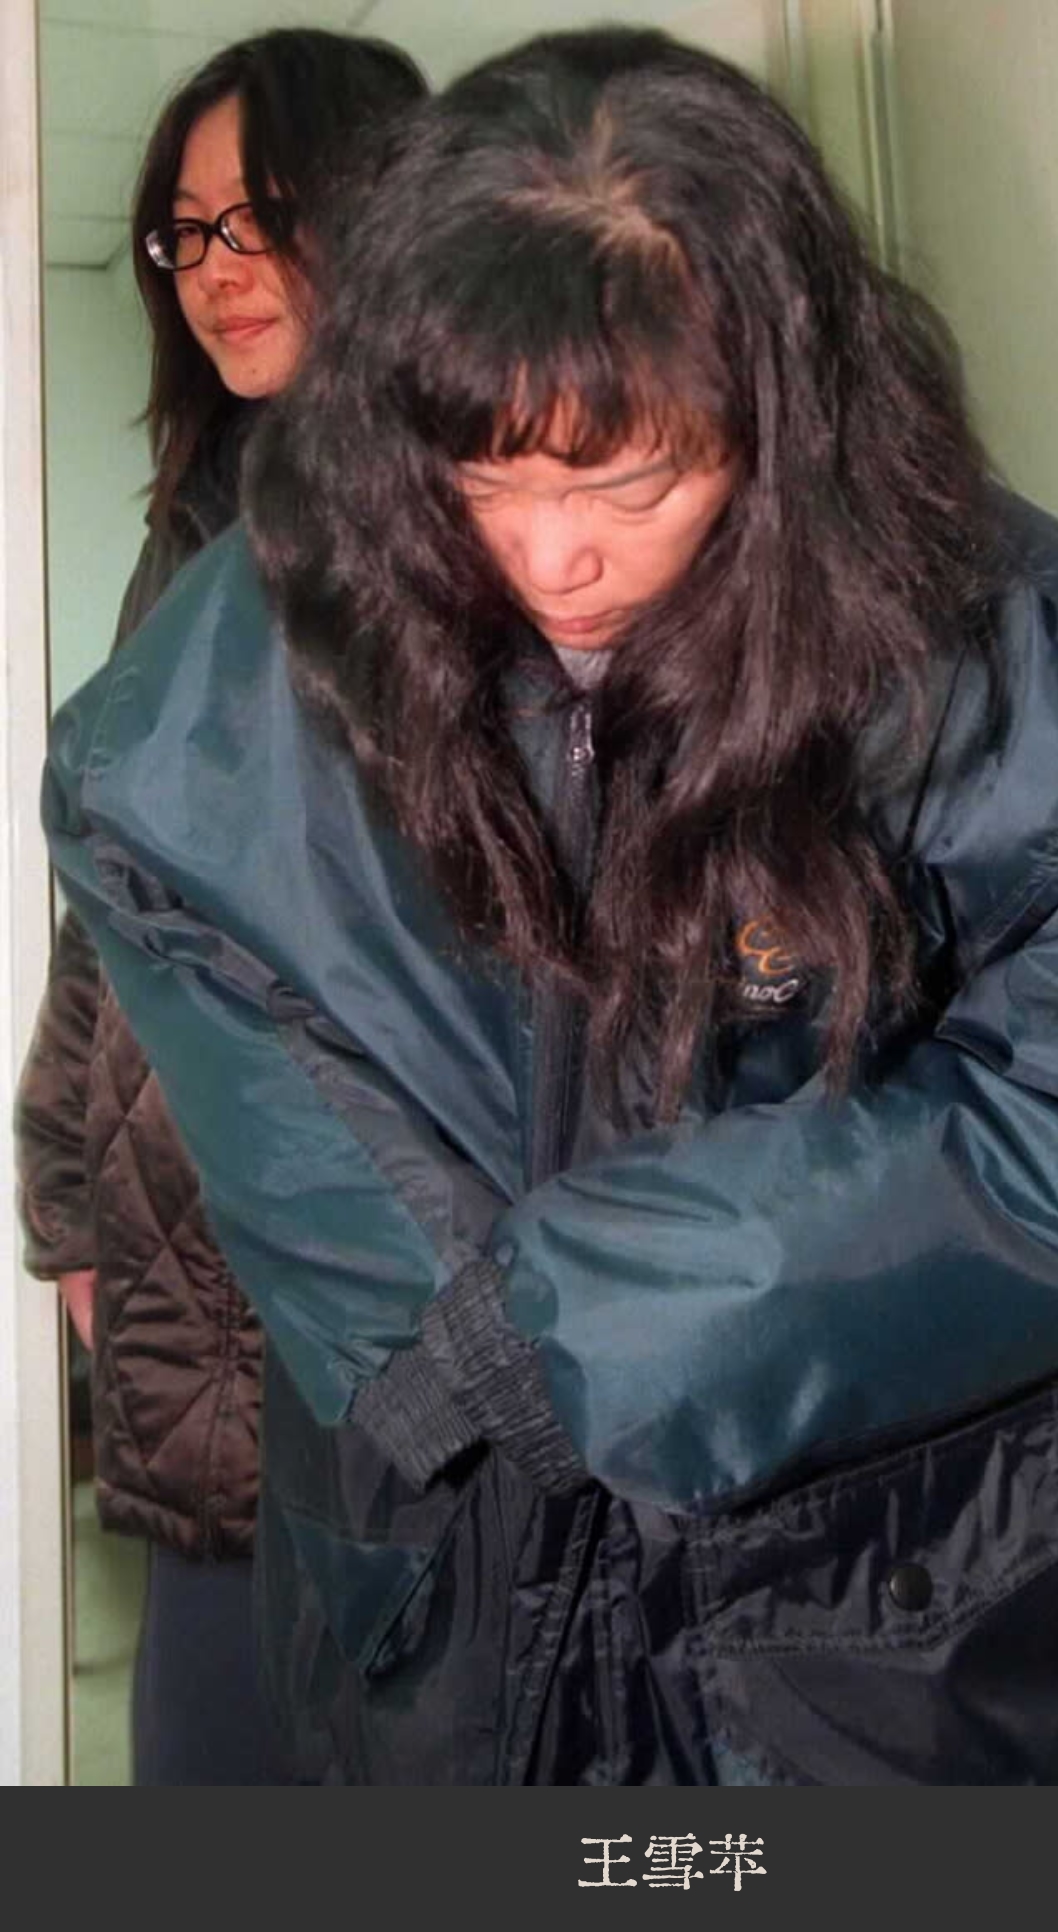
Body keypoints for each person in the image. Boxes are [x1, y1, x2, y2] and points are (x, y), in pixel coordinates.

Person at [41, 28, 1058, 1785]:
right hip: (438, 1582)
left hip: (871, 1582)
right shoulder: (277, 630)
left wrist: (607, 1312)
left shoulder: (982, 642)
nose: (550, 556)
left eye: (630, 484)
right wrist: (441, 1331)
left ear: (780, 420)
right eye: (484, 480)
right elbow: (139, 844)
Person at [16, 28, 426, 1785]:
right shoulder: (197, 527)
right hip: (197, 1320)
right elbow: (109, 916)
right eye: (189, 232)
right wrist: (68, 1211)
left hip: (407, 1351)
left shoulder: (480, 520)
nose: (217, 269)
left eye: (266, 215)